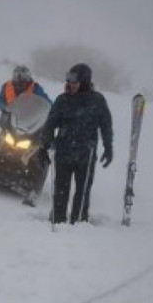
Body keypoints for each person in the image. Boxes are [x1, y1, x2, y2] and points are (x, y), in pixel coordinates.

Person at [41, 63, 113, 224]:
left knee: (83, 191)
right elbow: (50, 124)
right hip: (64, 153)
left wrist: (108, 147)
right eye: (69, 80)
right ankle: (57, 220)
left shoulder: (97, 101)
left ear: (85, 81)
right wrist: (46, 143)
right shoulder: (63, 100)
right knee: (61, 190)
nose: (71, 84)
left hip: (85, 156)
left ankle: (79, 221)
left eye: (75, 80)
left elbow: (106, 125)